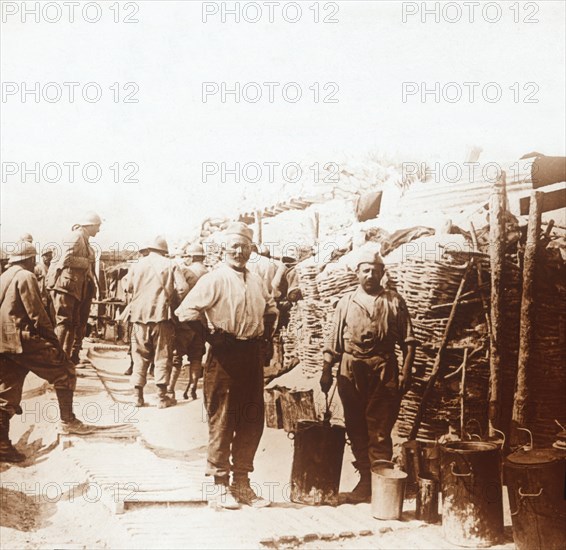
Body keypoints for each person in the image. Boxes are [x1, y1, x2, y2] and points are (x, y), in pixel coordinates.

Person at [175, 222, 277, 509]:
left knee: (251, 418)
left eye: (244, 246)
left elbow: (271, 308)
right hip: (225, 356)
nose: (239, 251)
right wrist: (212, 336)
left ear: (250, 249)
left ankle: (242, 483)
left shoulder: (256, 280)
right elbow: (186, 312)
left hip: (251, 355)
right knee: (223, 418)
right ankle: (219, 484)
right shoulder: (214, 278)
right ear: (224, 249)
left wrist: (266, 338)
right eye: (234, 246)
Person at [320, 247, 418, 503]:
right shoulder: (346, 302)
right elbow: (333, 342)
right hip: (351, 369)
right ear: (357, 274)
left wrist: (406, 371)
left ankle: (380, 480)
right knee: (355, 425)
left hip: (384, 368)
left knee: (380, 427)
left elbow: (409, 341)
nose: (371, 275)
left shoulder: (394, 301)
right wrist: (326, 370)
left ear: (383, 273)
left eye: (375, 271)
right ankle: (365, 479)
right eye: (366, 270)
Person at [0, 242, 95, 462]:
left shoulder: (4, 276)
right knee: (65, 370)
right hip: (21, 340)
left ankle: (3, 446)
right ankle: (68, 420)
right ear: (30, 259)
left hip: (3, 343)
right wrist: (55, 344)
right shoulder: (26, 276)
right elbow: (37, 315)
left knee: (6, 392)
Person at [126, 236, 188, 408]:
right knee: (163, 356)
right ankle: (161, 397)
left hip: (138, 316)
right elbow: (183, 288)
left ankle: (137, 396)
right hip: (162, 315)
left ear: (149, 249)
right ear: (164, 250)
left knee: (139, 355)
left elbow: (128, 287)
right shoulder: (171, 264)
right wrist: (174, 302)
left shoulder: (136, 265)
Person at [47, 212, 101, 364]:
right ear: (89, 225)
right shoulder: (76, 237)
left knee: (73, 324)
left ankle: (65, 359)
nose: (99, 230)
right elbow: (65, 259)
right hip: (66, 287)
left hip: (75, 288)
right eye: (98, 226)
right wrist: (86, 263)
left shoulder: (84, 240)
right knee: (64, 323)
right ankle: (56, 361)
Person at [168, 242, 208, 401]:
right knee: (196, 356)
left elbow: (179, 291)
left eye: (186, 256)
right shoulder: (209, 273)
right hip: (202, 321)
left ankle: (170, 390)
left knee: (176, 357)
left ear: (191, 257)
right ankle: (192, 389)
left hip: (185, 321)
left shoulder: (185, 271)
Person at [34, 247, 56, 324]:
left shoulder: (52, 268)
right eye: (46, 256)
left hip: (50, 297)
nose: (48, 258)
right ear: (42, 257)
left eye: (50, 256)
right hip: (41, 296)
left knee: (52, 316)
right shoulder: (38, 268)